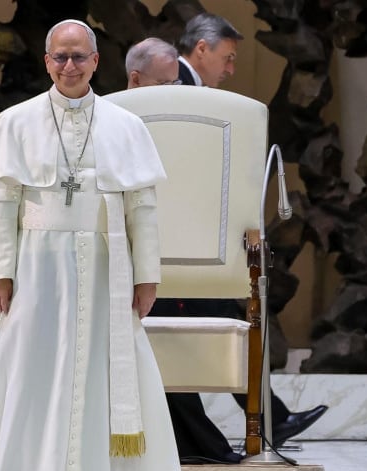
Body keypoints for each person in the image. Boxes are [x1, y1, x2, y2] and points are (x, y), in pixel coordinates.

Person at [0, 20, 184, 471]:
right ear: (47, 62)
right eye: (60, 57)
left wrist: (147, 275)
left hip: (106, 266)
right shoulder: (15, 122)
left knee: (98, 372)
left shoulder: (125, 125)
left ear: (96, 62)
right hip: (35, 267)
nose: (70, 66)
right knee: (32, 368)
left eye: (79, 57)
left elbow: (142, 207)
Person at [134, 29, 329, 449]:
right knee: (183, 344)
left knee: (220, 328)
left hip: (196, 248)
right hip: (178, 246)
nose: (231, 68)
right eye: (227, 57)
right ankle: (228, 435)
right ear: (200, 49)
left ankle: (260, 424)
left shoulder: (189, 95)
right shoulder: (173, 99)